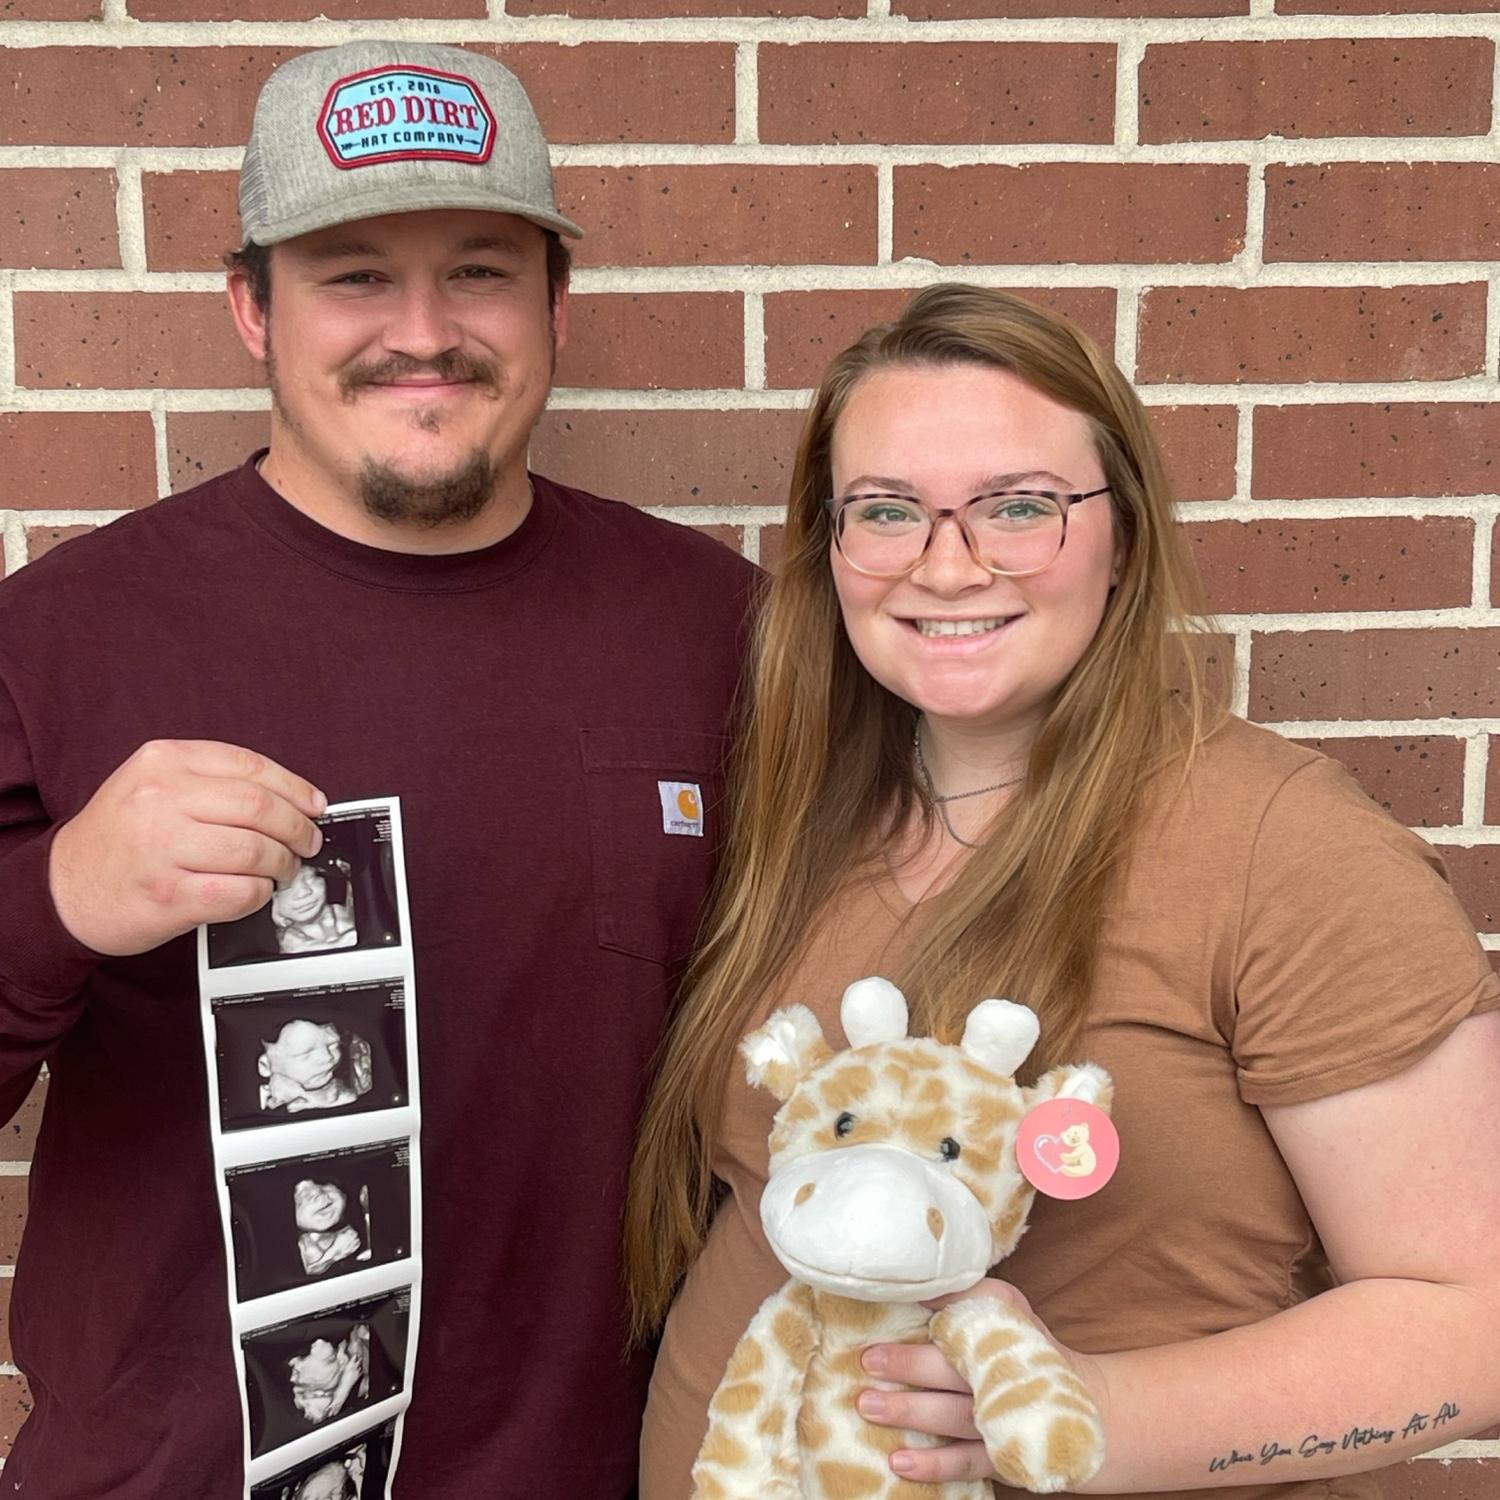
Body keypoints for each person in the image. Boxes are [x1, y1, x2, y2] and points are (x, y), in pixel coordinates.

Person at [0, 39, 755, 1498]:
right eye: (354, 274)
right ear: (252, 309)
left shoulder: (716, 628)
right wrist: (62, 897)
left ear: (555, 305)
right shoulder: (61, 637)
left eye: (479, 271)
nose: (424, 331)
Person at [626, 285, 1500, 1500]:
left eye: (1020, 507)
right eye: (887, 511)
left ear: (1123, 537)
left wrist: (1100, 1416)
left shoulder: (1281, 848)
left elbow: (1473, 1318)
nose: (946, 566)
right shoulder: (799, 818)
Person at [258, 1019, 372, 1114]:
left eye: (333, 1046)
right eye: (306, 1054)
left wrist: (306, 1095)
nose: (327, 1057)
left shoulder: (343, 1090)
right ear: (265, 1065)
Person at [272, 857, 357, 954]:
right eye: (287, 887)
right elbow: (300, 950)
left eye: (311, 878)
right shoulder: (291, 936)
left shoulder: (339, 911)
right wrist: (343, 942)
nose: (304, 893)